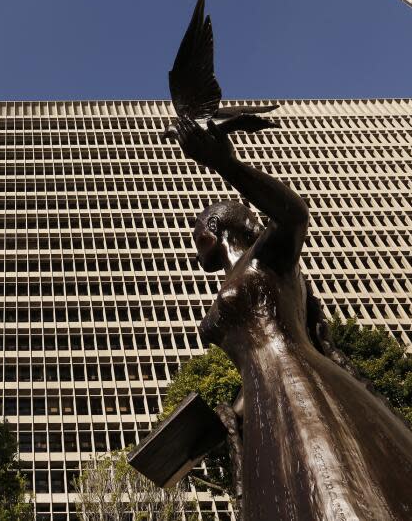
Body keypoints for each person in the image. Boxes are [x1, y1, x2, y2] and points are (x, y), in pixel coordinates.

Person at [174, 115, 412, 520]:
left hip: (304, 385)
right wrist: (231, 415)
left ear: (214, 228)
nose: (194, 241)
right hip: (266, 407)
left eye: (197, 230)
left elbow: (294, 215)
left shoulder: (268, 256)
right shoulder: (246, 271)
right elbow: (254, 367)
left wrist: (226, 165)